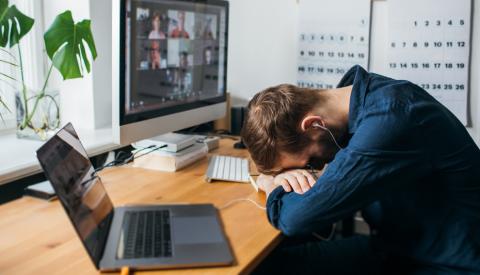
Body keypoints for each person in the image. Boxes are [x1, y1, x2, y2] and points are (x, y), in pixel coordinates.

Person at [242, 65, 480, 274]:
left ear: (314, 125)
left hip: (445, 264)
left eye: (310, 163)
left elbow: (295, 219)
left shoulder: (389, 122)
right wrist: (280, 176)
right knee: (268, 266)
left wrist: (273, 186)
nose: (314, 169)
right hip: (400, 247)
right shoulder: (359, 103)